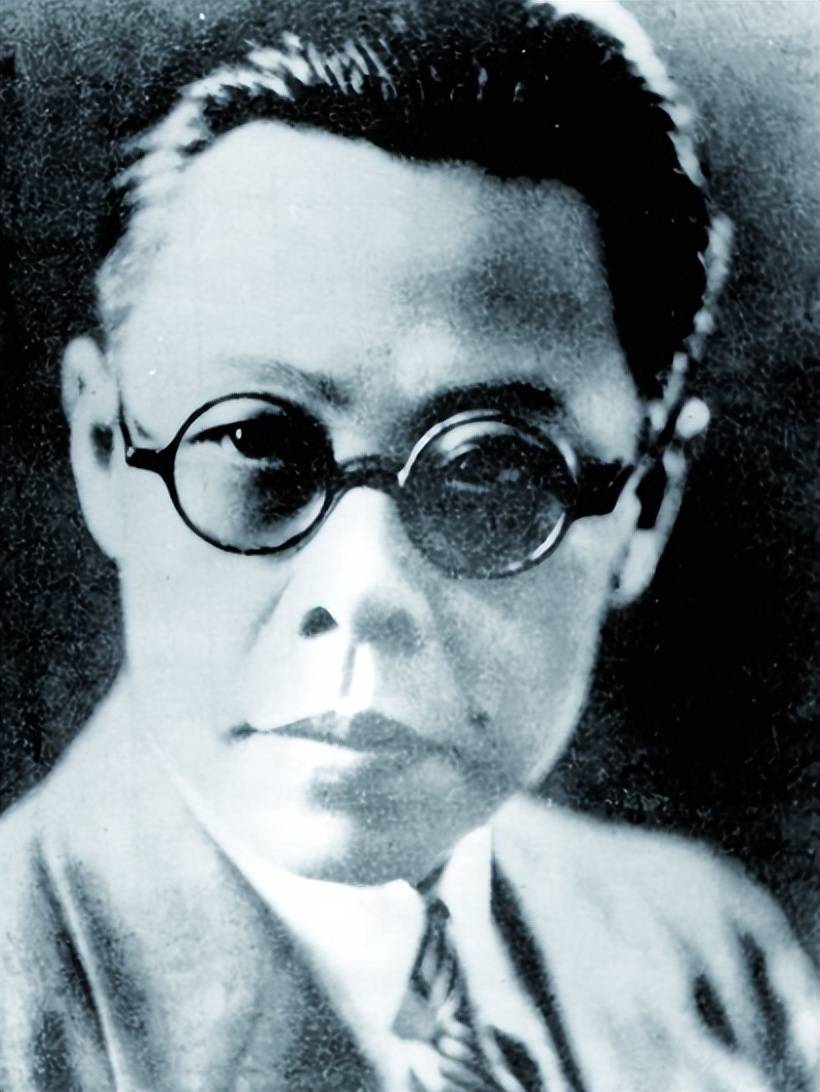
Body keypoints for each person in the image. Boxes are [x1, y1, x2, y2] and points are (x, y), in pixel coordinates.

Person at [0, 1, 816, 1088]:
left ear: (644, 504)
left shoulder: (713, 962)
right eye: (257, 443)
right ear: (105, 449)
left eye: (490, 469)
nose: (364, 588)